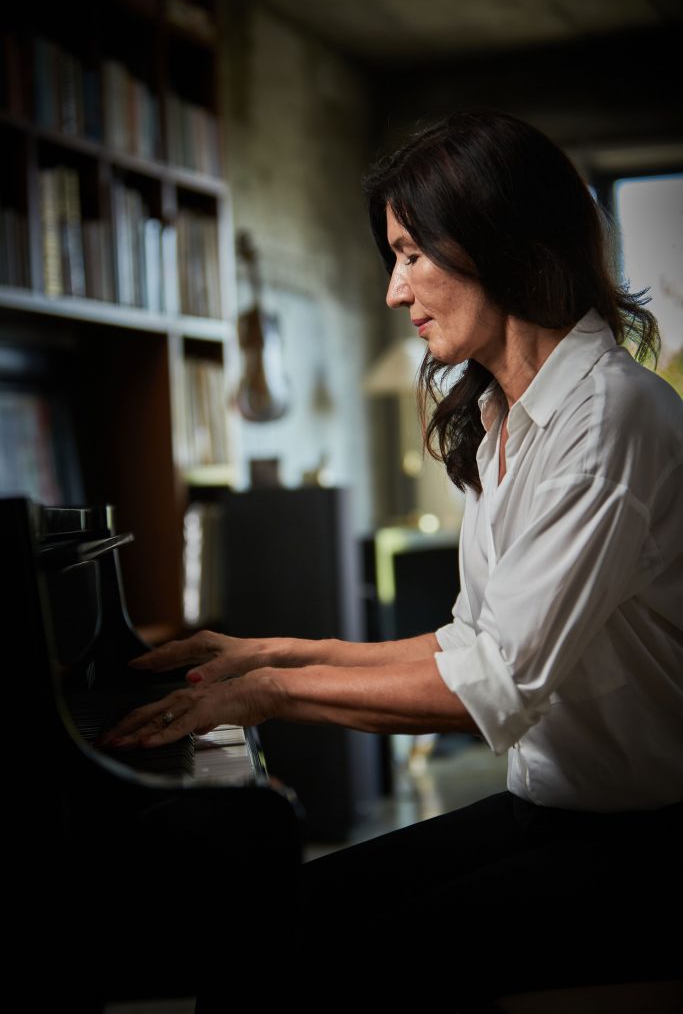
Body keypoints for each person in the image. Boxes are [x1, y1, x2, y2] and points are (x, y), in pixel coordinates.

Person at [100, 109, 683, 1009]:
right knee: (279, 921)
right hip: (558, 815)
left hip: (645, 845)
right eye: (395, 257)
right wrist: (267, 654)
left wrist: (270, 694)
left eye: (412, 253)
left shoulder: (610, 417)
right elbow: (468, 642)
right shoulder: (501, 426)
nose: (393, 290)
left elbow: (495, 683)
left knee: (318, 967)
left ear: (497, 238)